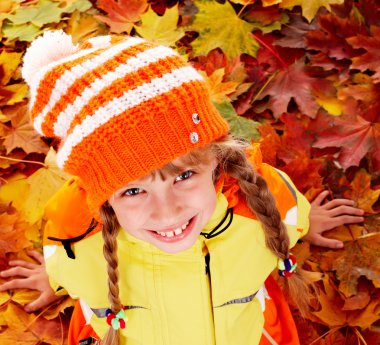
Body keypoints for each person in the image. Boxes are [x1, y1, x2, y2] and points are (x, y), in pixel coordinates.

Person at [0, 31, 364, 345]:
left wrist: (306, 224)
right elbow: (63, 258)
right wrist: (56, 282)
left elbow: (288, 213)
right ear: (101, 196)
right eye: (133, 191)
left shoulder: (259, 201)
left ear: (217, 163)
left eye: (183, 176)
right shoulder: (77, 237)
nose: (168, 211)